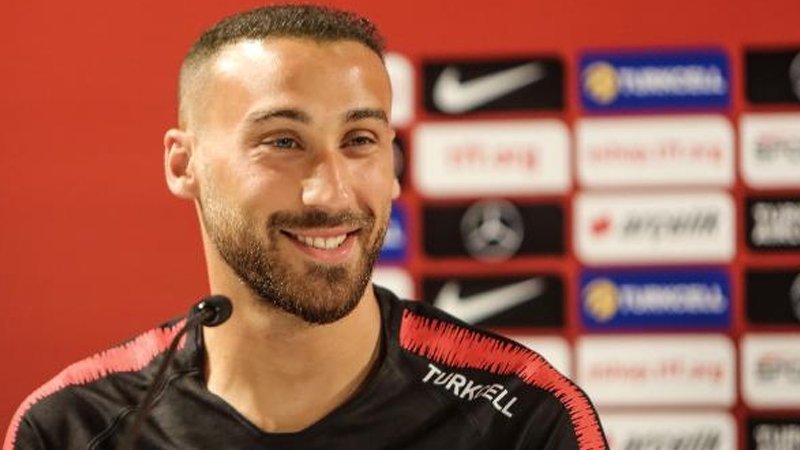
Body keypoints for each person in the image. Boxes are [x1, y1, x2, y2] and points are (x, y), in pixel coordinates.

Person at [3, 5, 608, 449]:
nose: (331, 192)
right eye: (284, 142)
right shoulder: (70, 428)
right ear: (184, 165)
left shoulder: (525, 420)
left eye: (360, 140)